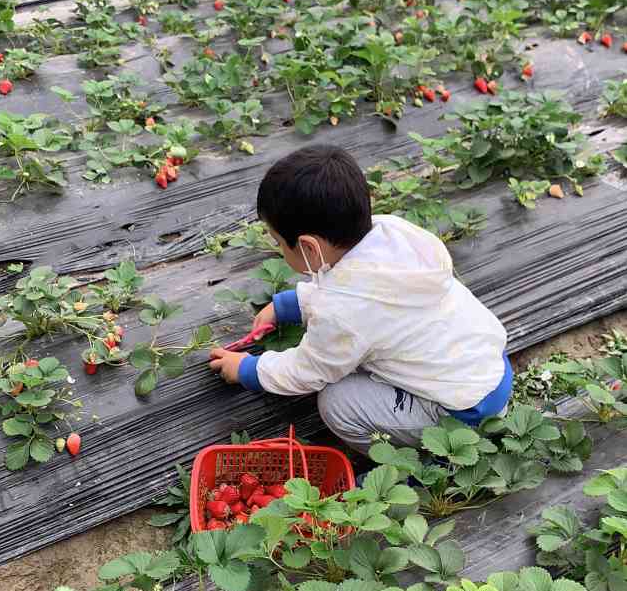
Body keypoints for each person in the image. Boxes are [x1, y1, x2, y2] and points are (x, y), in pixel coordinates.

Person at [209, 146, 512, 453]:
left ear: (308, 248)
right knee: (356, 354)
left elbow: (308, 370)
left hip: (463, 415)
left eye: (277, 243)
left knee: (337, 403)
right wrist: (291, 304)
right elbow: (356, 286)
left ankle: (417, 466)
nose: (277, 249)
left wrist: (249, 369)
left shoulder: (342, 313)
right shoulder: (391, 234)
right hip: (490, 371)